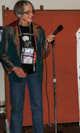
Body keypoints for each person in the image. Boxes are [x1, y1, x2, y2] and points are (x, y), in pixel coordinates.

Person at [0, 0, 55, 132]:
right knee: (17, 108)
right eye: (28, 12)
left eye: (32, 11)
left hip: (35, 73)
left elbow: (43, 53)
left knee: (37, 107)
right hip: (17, 73)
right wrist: (14, 68)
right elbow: (3, 53)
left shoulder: (38, 29)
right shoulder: (9, 29)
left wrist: (46, 44)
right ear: (19, 14)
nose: (32, 14)